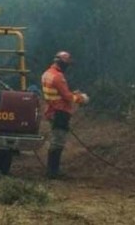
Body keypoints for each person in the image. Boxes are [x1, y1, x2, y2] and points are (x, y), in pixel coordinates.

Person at [41, 50, 89, 179]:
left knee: (56, 140)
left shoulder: (47, 74)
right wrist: (81, 98)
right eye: (67, 64)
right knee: (58, 142)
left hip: (51, 110)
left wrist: (72, 94)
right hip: (60, 112)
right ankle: (53, 172)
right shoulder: (58, 77)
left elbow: (58, 94)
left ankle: (52, 170)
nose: (68, 66)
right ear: (62, 63)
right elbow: (67, 97)